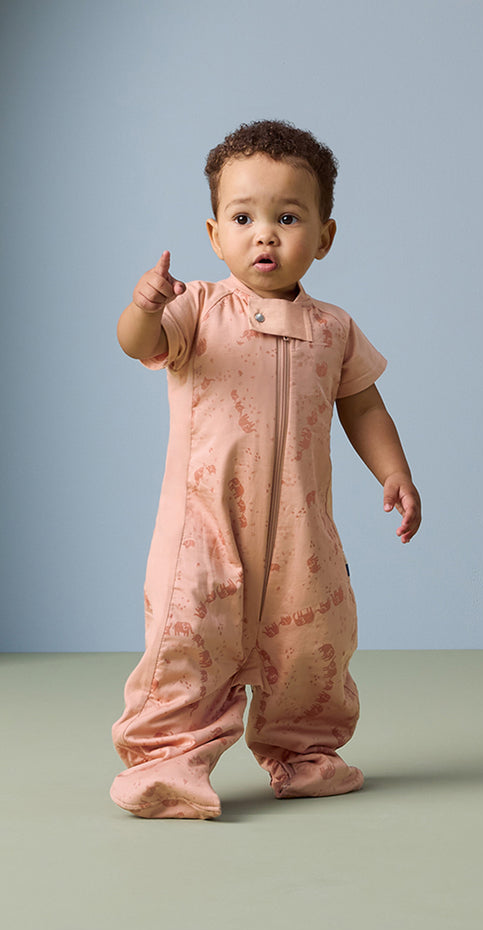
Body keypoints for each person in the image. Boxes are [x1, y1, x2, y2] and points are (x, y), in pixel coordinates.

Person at [111, 119, 421, 819]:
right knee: (186, 640)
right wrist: (143, 307)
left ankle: (305, 752)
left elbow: (364, 407)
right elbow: (140, 346)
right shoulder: (196, 309)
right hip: (204, 526)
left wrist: (394, 473)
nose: (265, 235)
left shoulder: (333, 329)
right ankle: (167, 762)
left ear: (325, 235)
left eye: (288, 217)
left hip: (300, 533)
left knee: (312, 643)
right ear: (216, 234)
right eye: (243, 217)